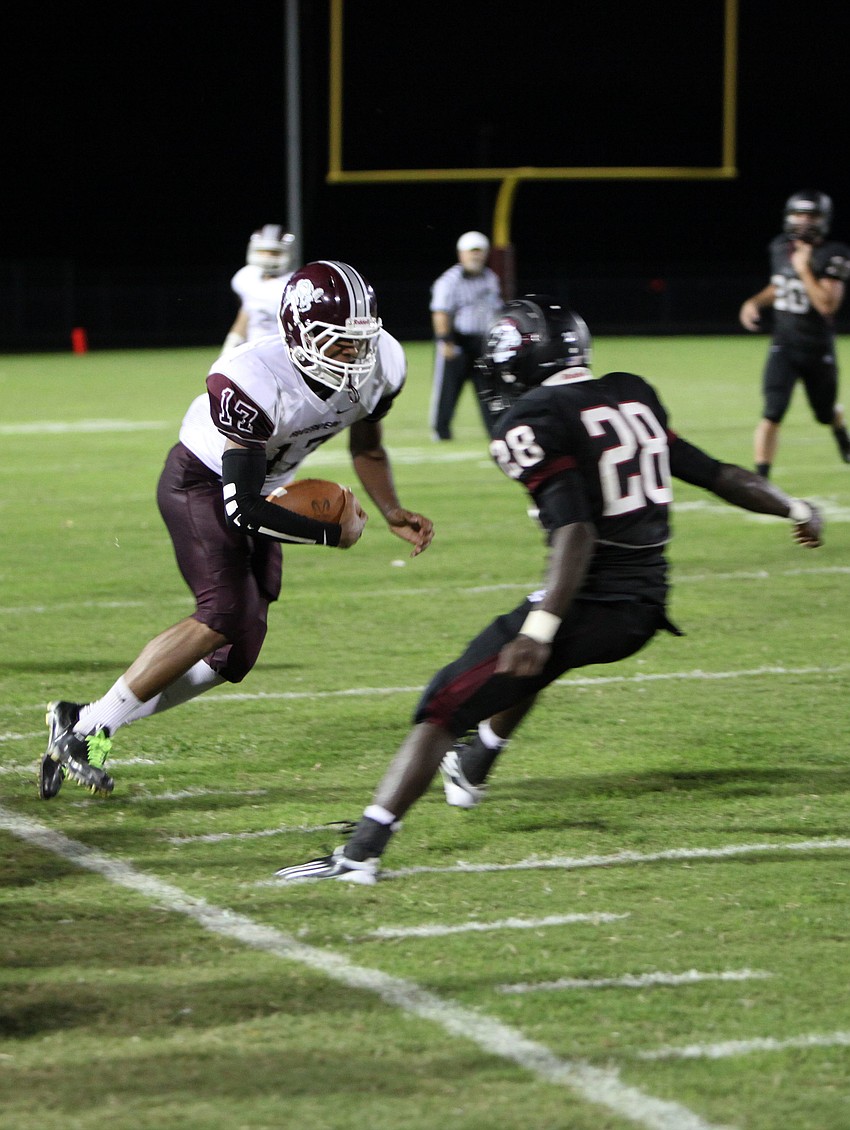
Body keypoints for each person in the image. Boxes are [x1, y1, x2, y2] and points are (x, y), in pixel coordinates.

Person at [274, 297, 824, 885]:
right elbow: (716, 473)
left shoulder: (536, 417)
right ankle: (474, 765)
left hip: (591, 598)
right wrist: (795, 507)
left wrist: (541, 629)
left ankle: (360, 854)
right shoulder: (630, 392)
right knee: (531, 660)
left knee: (444, 704)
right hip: (644, 602)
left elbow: (575, 531)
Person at [39, 261, 434, 799]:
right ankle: (87, 731)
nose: (355, 356)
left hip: (265, 488)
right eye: (340, 342)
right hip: (202, 480)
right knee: (224, 611)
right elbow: (242, 509)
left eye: (361, 340)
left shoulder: (383, 363)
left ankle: (82, 719)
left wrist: (391, 509)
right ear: (299, 334)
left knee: (236, 653)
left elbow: (367, 444)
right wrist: (329, 534)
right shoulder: (251, 377)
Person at [739, 189, 850, 478]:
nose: (804, 221)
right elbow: (779, 286)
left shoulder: (835, 254)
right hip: (784, 344)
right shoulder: (780, 247)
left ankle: (839, 428)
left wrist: (804, 269)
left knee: (824, 413)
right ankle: (761, 480)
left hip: (817, 349)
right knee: (772, 412)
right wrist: (755, 302)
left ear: (823, 219)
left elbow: (827, 305)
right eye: (799, 214)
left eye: (811, 215)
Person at [429, 230, 503, 440]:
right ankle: (441, 432)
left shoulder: (490, 278)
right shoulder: (449, 280)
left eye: (479, 251)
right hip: (457, 341)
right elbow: (441, 312)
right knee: (448, 390)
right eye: (472, 251)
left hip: (483, 343)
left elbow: (496, 309)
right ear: (461, 253)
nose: (475, 256)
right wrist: (445, 340)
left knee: (489, 390)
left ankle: (495, 431)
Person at [222, 224, 296, 352]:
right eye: (262, 251)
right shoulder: (247, 277)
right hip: (251, 350)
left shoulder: (294, 285)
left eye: (274, 252)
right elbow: (245, 315)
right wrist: (229, 347)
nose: (267, 257)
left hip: (282, 351)